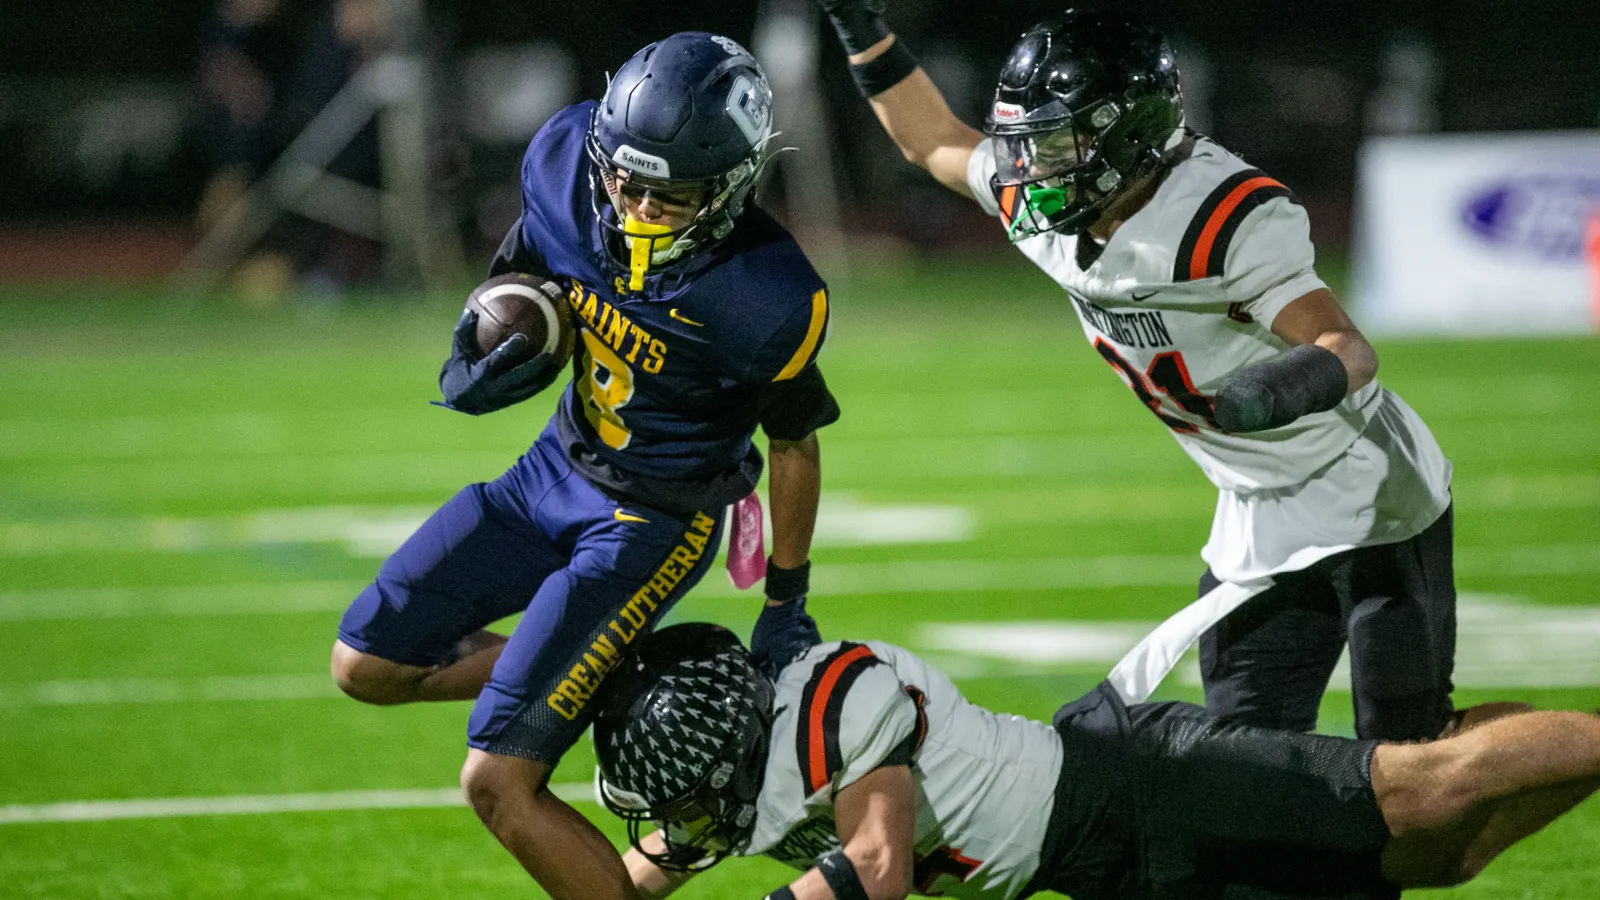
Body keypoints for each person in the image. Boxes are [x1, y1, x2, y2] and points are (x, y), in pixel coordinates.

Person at [811, 3, 1469, 740]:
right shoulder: (1045, 202)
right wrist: (857, 27)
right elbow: (930, 139)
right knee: (1244, 763)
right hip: (1256, 511)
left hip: (1370, 494)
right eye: (1029, 144)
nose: (1030, 168)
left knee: (1413, 761)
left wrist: (1267, 394)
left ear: (1130, 134)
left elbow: (1347, 348)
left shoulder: (1218, 217)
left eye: (1057, 143)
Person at [328, 32, 834, 900]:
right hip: (553, 467)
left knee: (495, 784)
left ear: (730, 187)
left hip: (655, 519)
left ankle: (598, 681)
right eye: (622, 181)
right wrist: (494, 335)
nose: (633, 207)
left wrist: (786, 598)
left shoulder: (766, 297)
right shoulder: (567, 165)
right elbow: (530, 266)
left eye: (665, 197)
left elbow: (793, 444)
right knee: (365, 666)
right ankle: (611, 678)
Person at [595, 623, 1600, 900]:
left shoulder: (830, 702)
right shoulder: (742, 774)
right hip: (1105, 869)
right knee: (1438, 862)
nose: (680, 826)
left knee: (1420, 793)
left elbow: (876, 866)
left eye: (683, 803)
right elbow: (621, 883)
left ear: (724, 757)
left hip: (1137, 782)